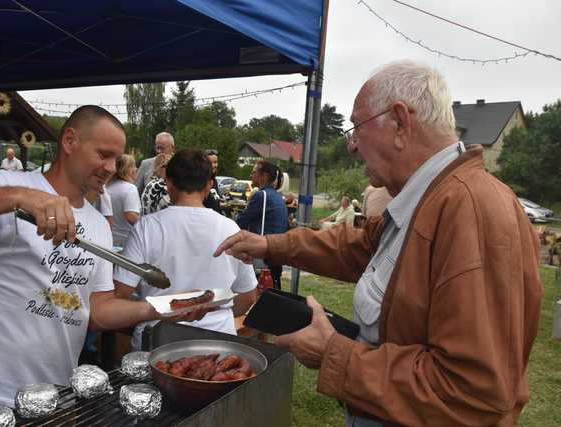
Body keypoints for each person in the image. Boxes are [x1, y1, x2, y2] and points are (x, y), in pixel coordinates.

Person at [214, 61, 542, 426]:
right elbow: (356, 246)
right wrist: (269, 245)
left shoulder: (471, 212)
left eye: (357, 127)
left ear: (400, 122)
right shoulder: (426, 199)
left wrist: (334, 353)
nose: (352, 146)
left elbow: (472, 395)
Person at [0, 106, 202, 425]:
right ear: (70, 141)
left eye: (116, 158)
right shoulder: (12, 185)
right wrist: (17, 197)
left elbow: (95, 310)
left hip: (51, 400)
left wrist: (157, 308)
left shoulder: (97, 225)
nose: (111, 167)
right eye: (103, 154)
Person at [115, 149, 257, 350]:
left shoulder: (146, 227)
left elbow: (121, 292)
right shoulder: (230, 228)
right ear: (209, 186)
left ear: (169, 184)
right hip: (216, 341)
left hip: (157, 341)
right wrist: (212, 315)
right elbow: (248, 297)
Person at [236, 160, 288, 290]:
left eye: (254, 172)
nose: (250, 175)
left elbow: (242, 222)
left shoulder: (261, 196)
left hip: (262, 256)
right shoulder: (278, 197)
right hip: (277, 254)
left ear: (263, 176)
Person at [106, 154, 141, 247]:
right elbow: (130, 216)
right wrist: (145, 225)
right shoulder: (130, 188)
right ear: (124, 169)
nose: (136, 169)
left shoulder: (107, 187)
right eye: (132, 166)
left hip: (109, 240)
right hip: (126, 242)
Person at [203, 149, 223, 213]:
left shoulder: (214, 181)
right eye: (209, 162)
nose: (213, 165)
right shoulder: (200, 182)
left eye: (215, 162)